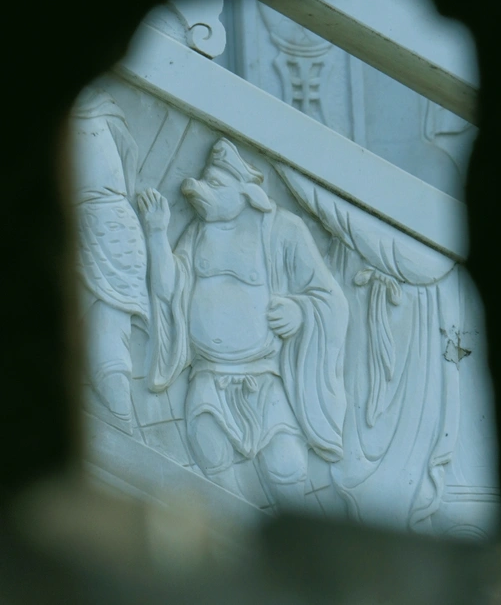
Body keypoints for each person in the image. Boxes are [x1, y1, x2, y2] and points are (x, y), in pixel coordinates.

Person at [138, 138, 348, 508]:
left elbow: (330, 297)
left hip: (263, 376)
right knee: (210, 454)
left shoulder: (283, 230)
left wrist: (301, 311)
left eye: (215, 184)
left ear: (247, 193)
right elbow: (168, 289)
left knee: (287, 466)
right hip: (209, 376)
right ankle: (238, 534)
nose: (201, 192)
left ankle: (291, 537)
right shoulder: (198, 233)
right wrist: (156, 233)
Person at [71, 87, 149, 431]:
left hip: (104, 226)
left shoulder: (93, 109)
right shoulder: (101, 109)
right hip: (110, 223)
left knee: (106, 338)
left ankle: (121, 423)